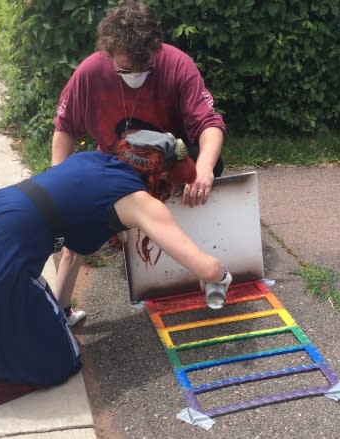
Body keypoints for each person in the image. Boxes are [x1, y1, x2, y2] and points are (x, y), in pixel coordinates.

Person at [0, 131, 233, 424]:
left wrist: (62, 310)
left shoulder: (94, 161)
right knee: (59, 360)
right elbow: (204, 268)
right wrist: (223, 274)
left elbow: (72, 248)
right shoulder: (140, 202)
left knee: (37, 319)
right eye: (170, 184)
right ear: (162, 175)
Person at [52, 0, 227, 324]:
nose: (134, 76)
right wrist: (57, 182)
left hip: (166, 158)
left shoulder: (177, 65)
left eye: (142, 68)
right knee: (76, 222)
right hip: (114, 165)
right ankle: (60, 309)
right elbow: (65, 128)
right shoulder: (90, 72)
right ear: (109, 52)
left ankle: (169, 231)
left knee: (210, 164)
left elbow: (210, 124)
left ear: (154, 50)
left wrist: (202, 169)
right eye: (125, 70)